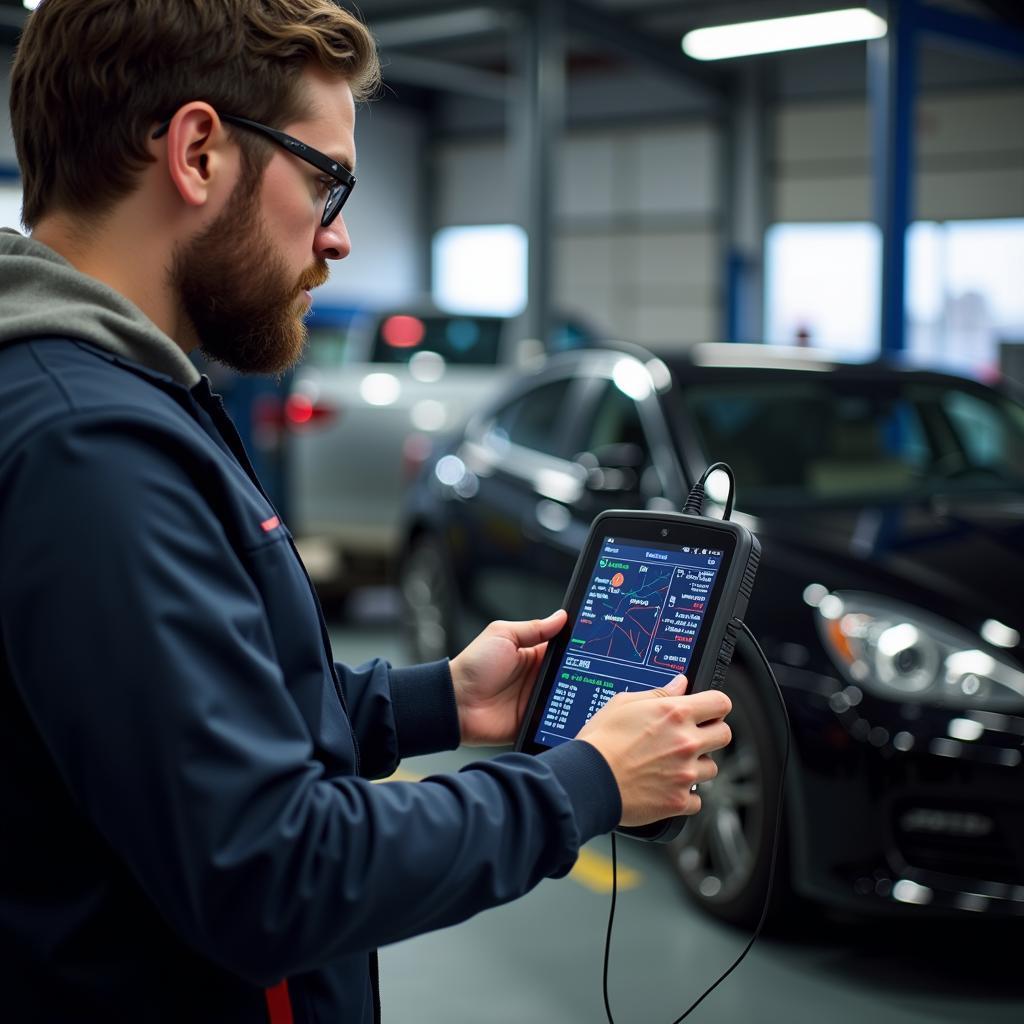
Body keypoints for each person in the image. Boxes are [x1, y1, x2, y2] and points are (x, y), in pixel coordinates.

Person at [0, 2, 733, 1022]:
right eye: (326, 179)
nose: (338, 235)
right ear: (199, 151)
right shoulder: (92, 448)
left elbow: (199, 718)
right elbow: (272, 872)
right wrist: (583, 783)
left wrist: (440, 700)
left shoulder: (108, 402)